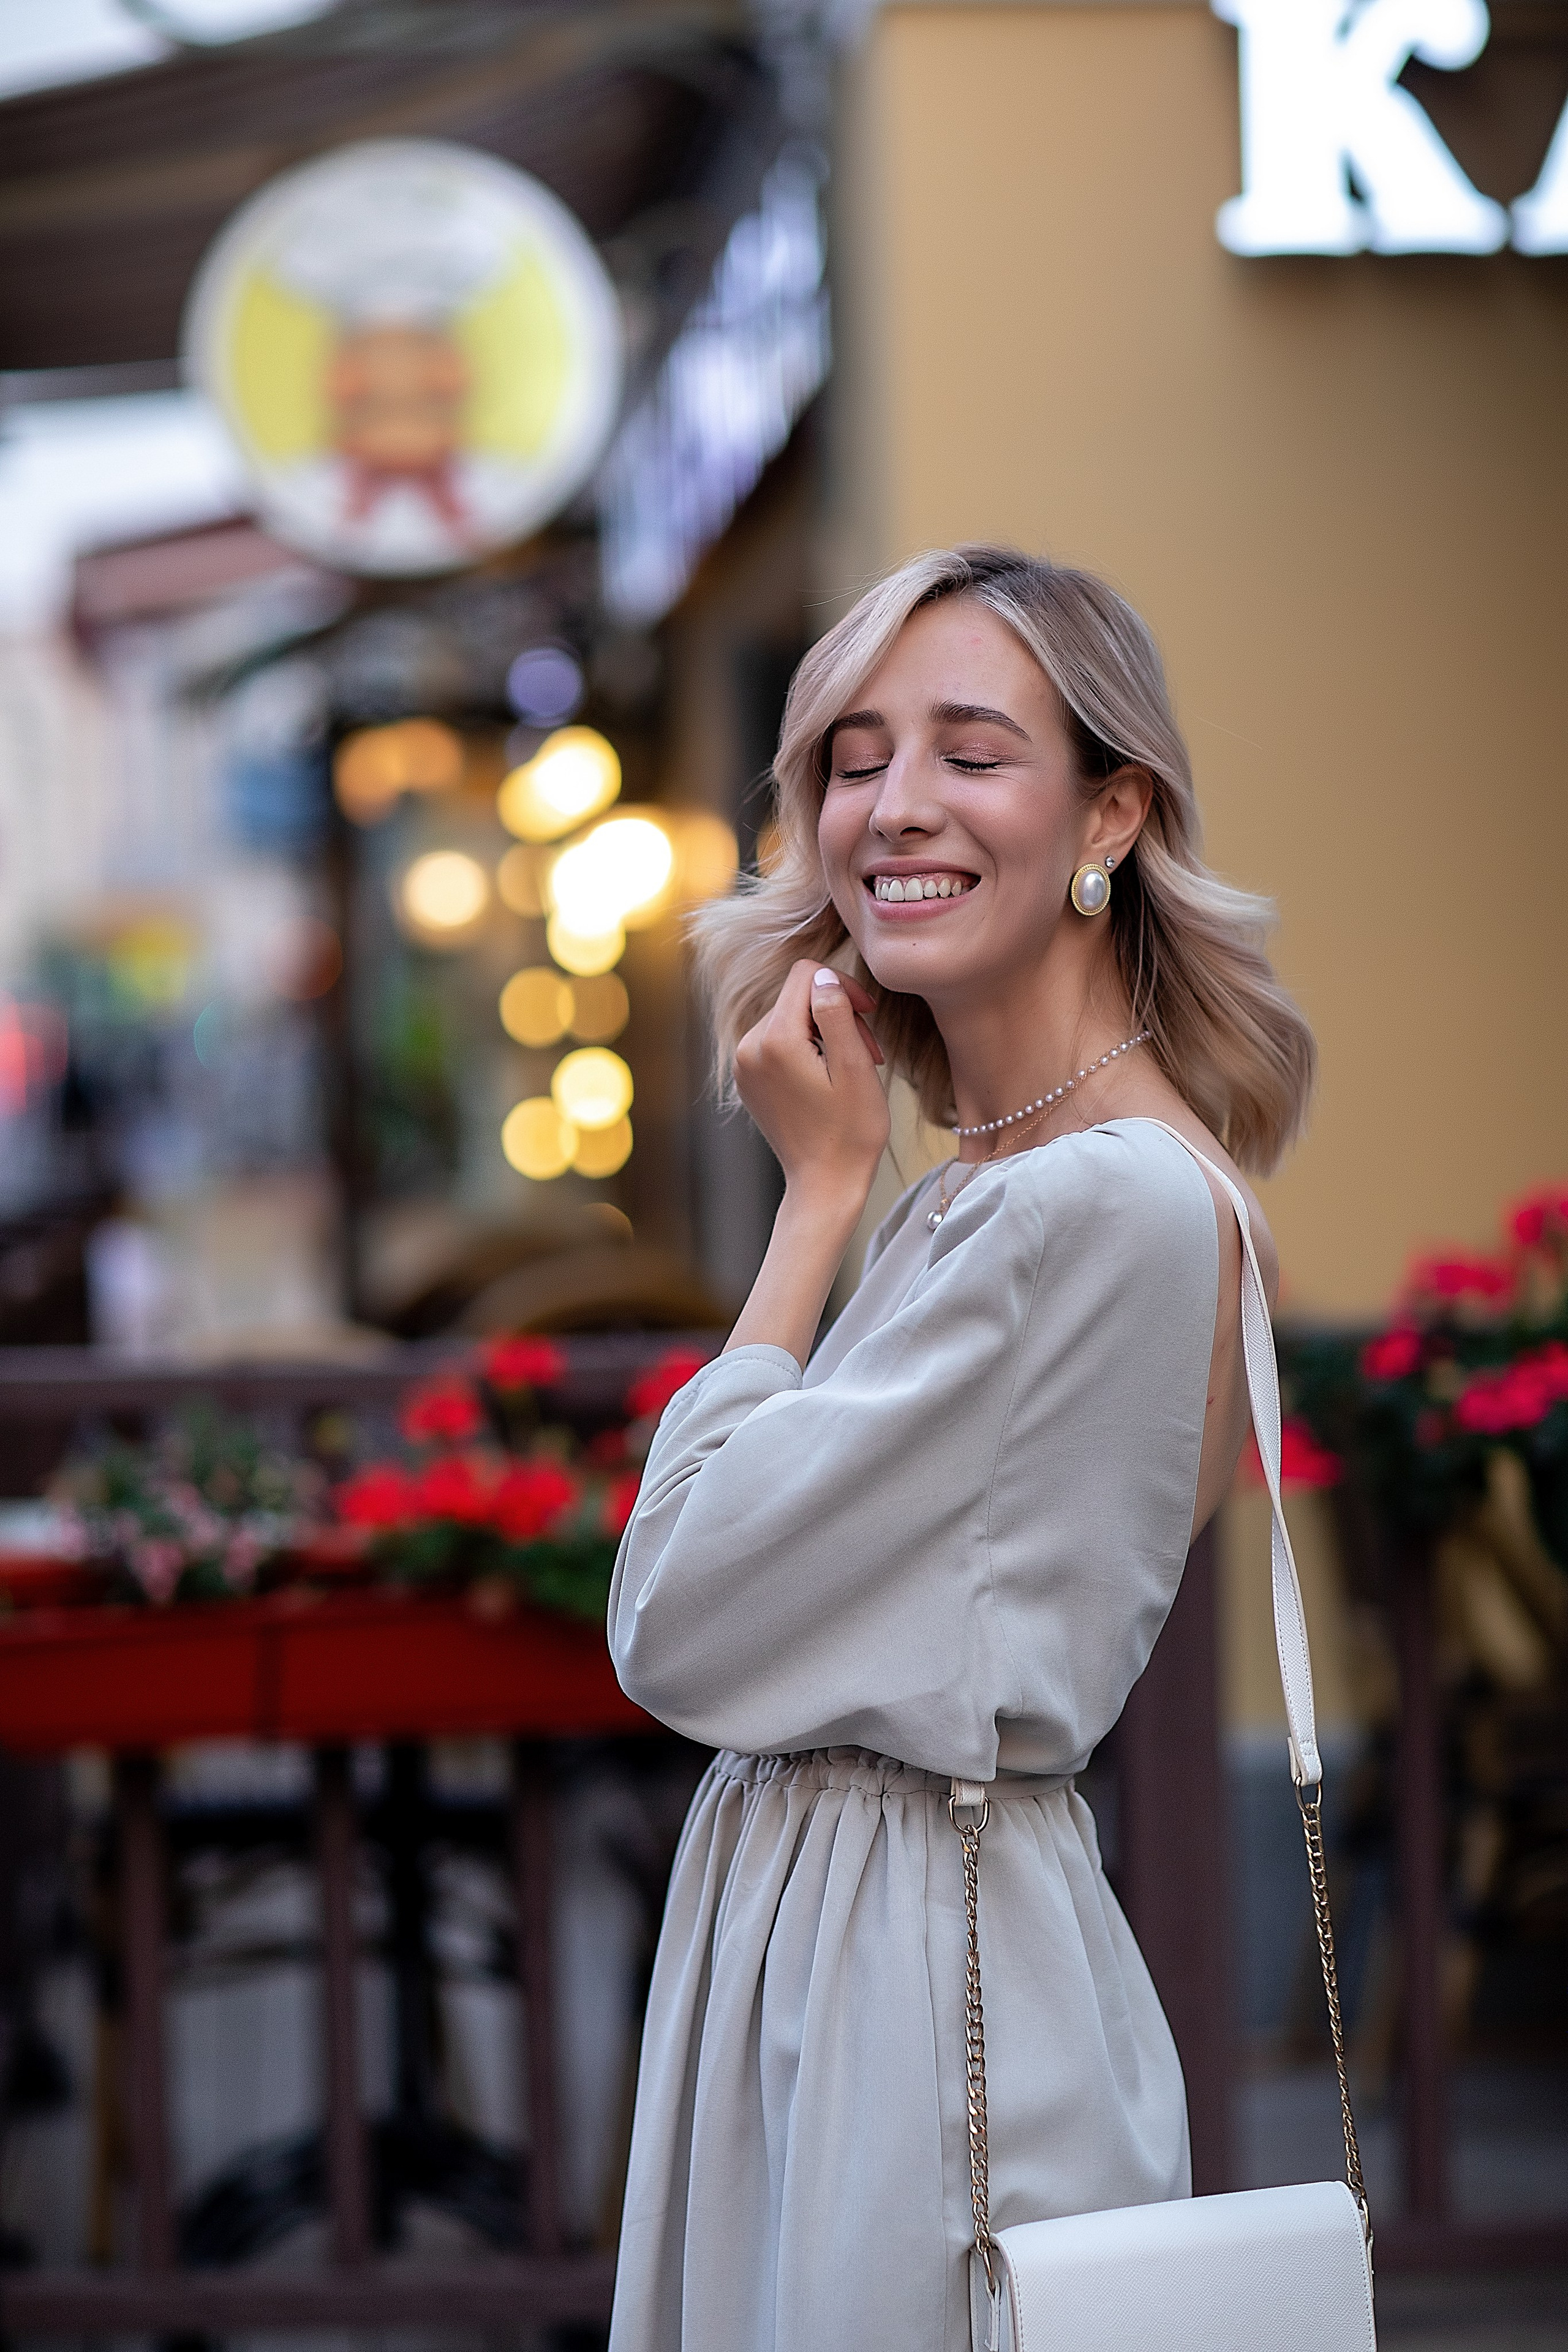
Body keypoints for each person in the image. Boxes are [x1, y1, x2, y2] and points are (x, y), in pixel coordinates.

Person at [605, 545, 1314, 2352]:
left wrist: (814, 1199)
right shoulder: (997, 1195)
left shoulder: (1086, 1207)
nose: (894, 805)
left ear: (1112, 814)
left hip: (911, 2002)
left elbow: (675, 1617)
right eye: (854, 759)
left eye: (972, 752)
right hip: (862, 1957)